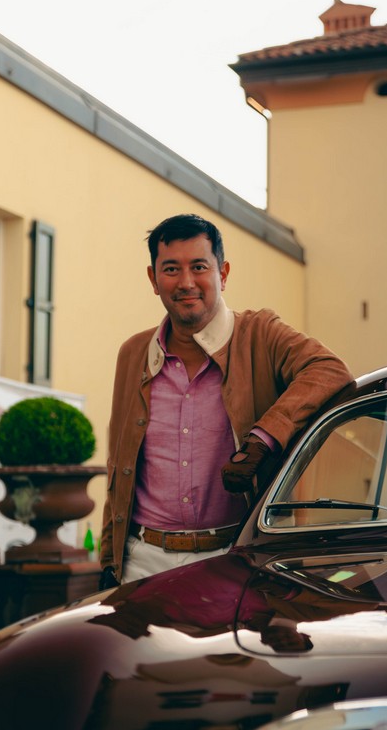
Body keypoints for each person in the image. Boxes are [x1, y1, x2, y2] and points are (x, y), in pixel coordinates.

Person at [99, 213, 353, 586]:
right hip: (143, 562)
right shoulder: (133, 353)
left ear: (224, 272)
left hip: (236, 557)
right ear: (153, 279)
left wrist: (262, 439)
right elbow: (116, 464)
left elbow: (330, 370)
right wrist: (108, 559)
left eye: (199, 266)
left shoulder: (260, 334)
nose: (186, 282)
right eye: (171, 269)